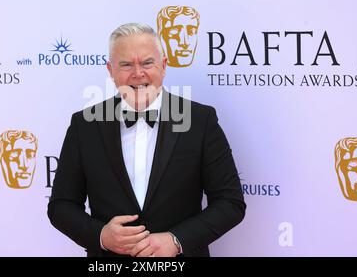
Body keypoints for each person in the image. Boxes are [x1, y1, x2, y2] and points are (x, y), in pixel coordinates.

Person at [48, 23, 245, 257]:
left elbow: (230, 202)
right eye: (126, 64)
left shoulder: (200, 120)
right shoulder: (85, 125)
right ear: (111, 70)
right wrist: (101, 236)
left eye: (147, 63)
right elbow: (61, 206)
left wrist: (176, 240)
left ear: (163, 66)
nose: (138, 73)